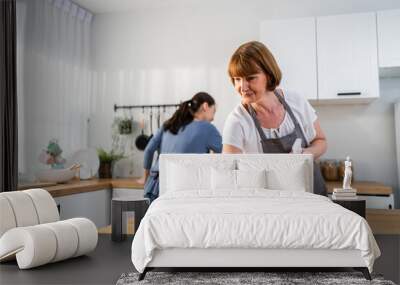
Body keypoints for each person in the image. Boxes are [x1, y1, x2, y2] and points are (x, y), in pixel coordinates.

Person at [223, 41, 327, 196]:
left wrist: (305, 155)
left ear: (269, 75)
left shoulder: (296, 101)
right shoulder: (237, 121)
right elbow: (229, 174)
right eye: (237, 79)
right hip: (270, 203)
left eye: (250, 78)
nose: (242, 87)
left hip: (311, 194)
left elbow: (321, 141)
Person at [137, 92, 222, 202]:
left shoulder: (169, 124)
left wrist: (145, 177)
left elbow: (149, 150)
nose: (213, 118)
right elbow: (226, 156)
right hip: (183, 188)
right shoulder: (207, 128)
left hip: (154, 186)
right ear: (205, 106)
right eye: (213, 111)